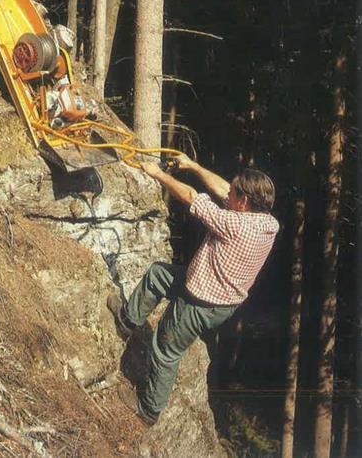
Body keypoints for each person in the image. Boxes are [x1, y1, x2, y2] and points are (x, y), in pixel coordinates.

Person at [107, 153, 279, 426]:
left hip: (201, 302)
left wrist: (157, 174)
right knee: (159, 275)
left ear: (243, 202)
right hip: (216, 294)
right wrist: (194, 166)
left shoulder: (234, 224)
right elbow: (224, 189)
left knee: (165, 348)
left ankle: (149, 410)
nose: (228, 193)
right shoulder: (267, 222)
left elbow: (191, 197)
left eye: (234, 193)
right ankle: (128, 320)